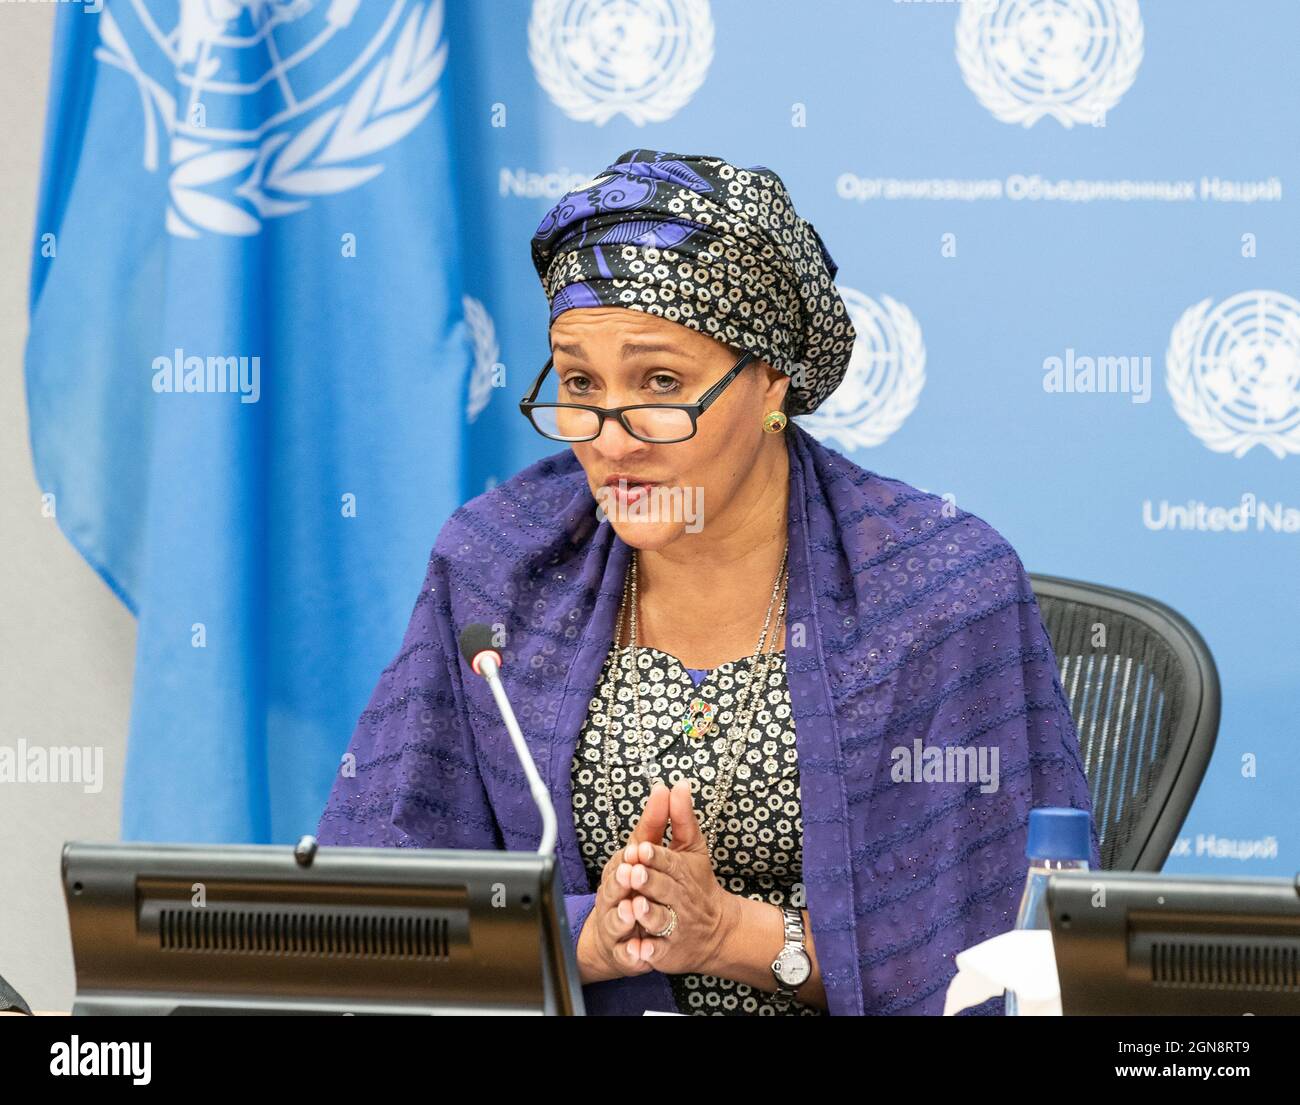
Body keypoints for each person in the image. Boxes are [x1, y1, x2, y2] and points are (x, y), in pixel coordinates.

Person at [316, 148, 1100, 1015]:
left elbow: (1011, 962)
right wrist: (588, 934)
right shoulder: (497, 566)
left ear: (772, 380)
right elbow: (386, 907)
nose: (612, 441)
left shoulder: (939, 591)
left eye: (660, 383)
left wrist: (729, 933)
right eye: (579, 383)